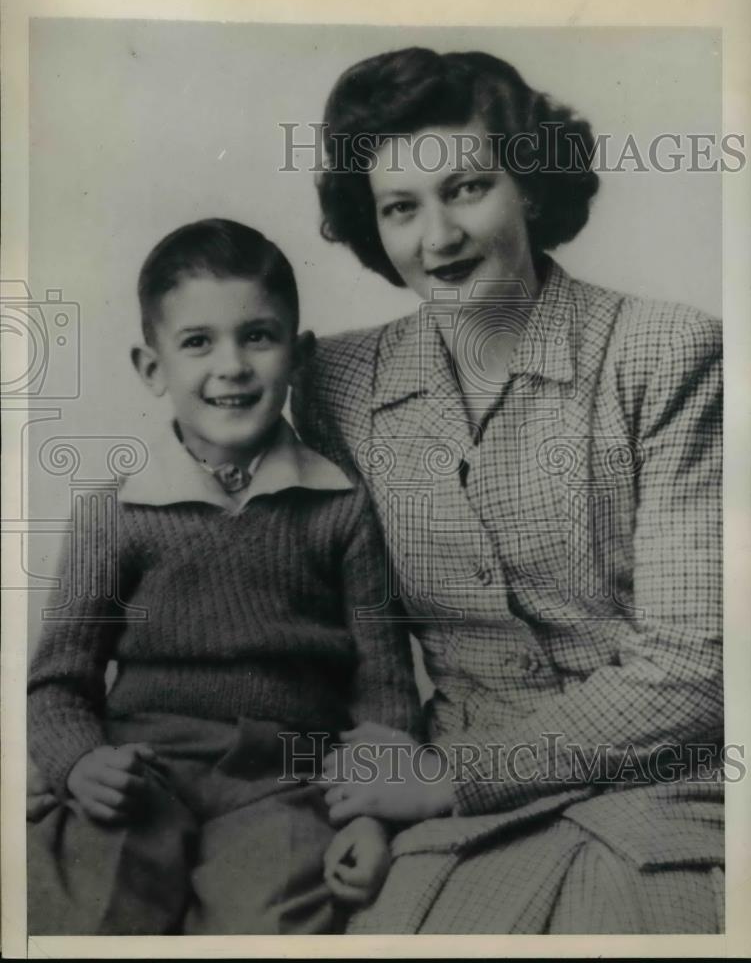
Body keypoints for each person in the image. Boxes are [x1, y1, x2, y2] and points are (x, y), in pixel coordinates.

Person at [292, 47, 724, 934]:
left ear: (528, 185)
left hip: (663, 792)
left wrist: (446, 777)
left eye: (466, 188)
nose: (437, 239)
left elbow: (696, 668)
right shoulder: (335, 386)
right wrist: (375, 797)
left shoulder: (665, 354)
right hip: (444, 825)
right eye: (400, 208)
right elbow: (336, 624)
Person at [26, 218, 422, 935]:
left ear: (297, 355)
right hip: (145, 769)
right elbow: (58, 684)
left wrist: (372, 819)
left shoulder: (340, 508)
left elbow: (384, 692)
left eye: (258, 336)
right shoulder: (113, 515)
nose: (232, 365)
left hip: (288, 779)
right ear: (153, 369)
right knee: (78, 904)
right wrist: (78, 765)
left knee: (275, 922)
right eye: (198, 342)